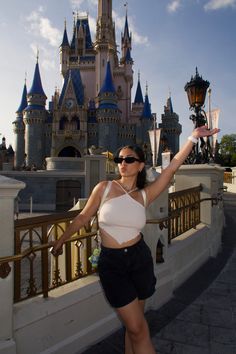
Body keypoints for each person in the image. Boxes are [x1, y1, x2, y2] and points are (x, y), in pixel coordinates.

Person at [51, 126, 220, 354]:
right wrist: (62, 239)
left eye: (129, 159)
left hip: (139, 260)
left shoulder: (144, 194)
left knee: (135, 328)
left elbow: (171, 169)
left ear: (140, 165)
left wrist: (192, 138)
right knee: (138, 329)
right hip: (112, 265)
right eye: (120, 158)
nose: (123, 163)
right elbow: (83, 216)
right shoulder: (105, 188)